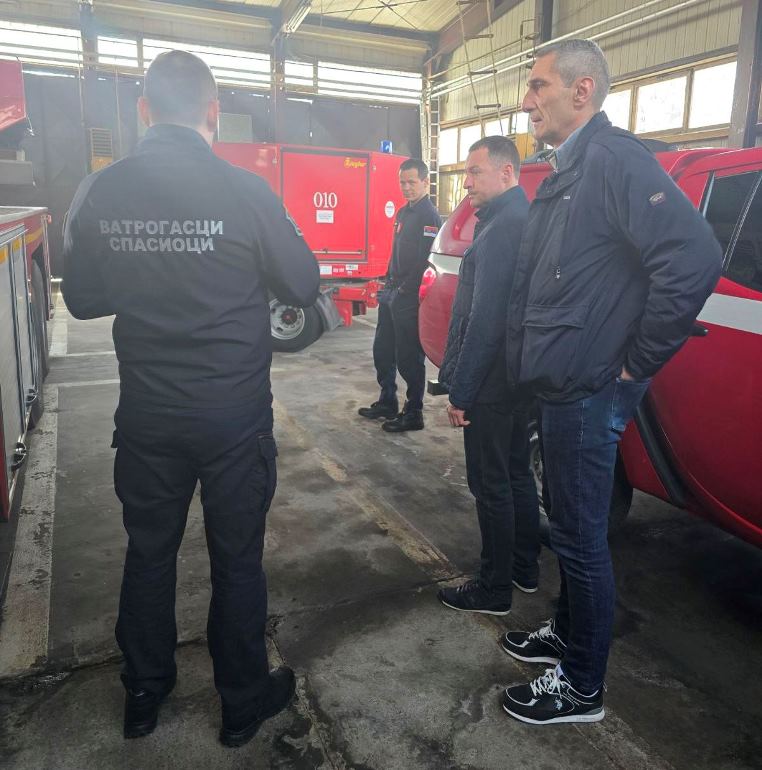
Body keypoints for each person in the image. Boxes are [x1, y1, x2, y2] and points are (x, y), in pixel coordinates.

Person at [62, 50, 320, 747]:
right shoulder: (246, 191)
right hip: (233, 419)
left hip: (148, 416)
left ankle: (144, 696)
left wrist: (147, 274)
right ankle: (241, 704)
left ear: (143, 110)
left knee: (149, 552)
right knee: (237, 559)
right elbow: (302, 284)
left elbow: (80, 297)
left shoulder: (102, 189)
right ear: (213, 112)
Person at [498, 39, 722, 725]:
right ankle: (568, 634)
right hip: (566, 379)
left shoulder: (614, 159)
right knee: (571, 526)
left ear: (582, 90)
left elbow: (694, 258)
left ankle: (582, 686)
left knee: (580, 535)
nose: (527, 101)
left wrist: (634, 362)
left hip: (589, 385)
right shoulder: (574, 165)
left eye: (538, 86)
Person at [435, 136, 540, 616]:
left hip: (492, 383)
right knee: (516, 473)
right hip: (515, 378)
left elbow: (485, 320)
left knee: (490, 484)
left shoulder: (501, 230)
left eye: (475, 172)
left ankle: (494, 589)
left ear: (506, 173)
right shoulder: (518, 219)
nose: (466, 183)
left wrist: (461, 391)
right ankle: (523, 568)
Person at [358, 159, 441, 432]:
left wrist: (404, 290)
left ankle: (414, 412)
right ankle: (387, 401)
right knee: (383, 350)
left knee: (408, 356)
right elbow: (397, 253)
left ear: (425, 182)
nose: (406, 187)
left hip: (408, 296)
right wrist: (387, 282)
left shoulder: (429, 216)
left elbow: (424, 259)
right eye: (402, 182)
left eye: (411, 182)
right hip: (392, 290)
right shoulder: (404, 212)